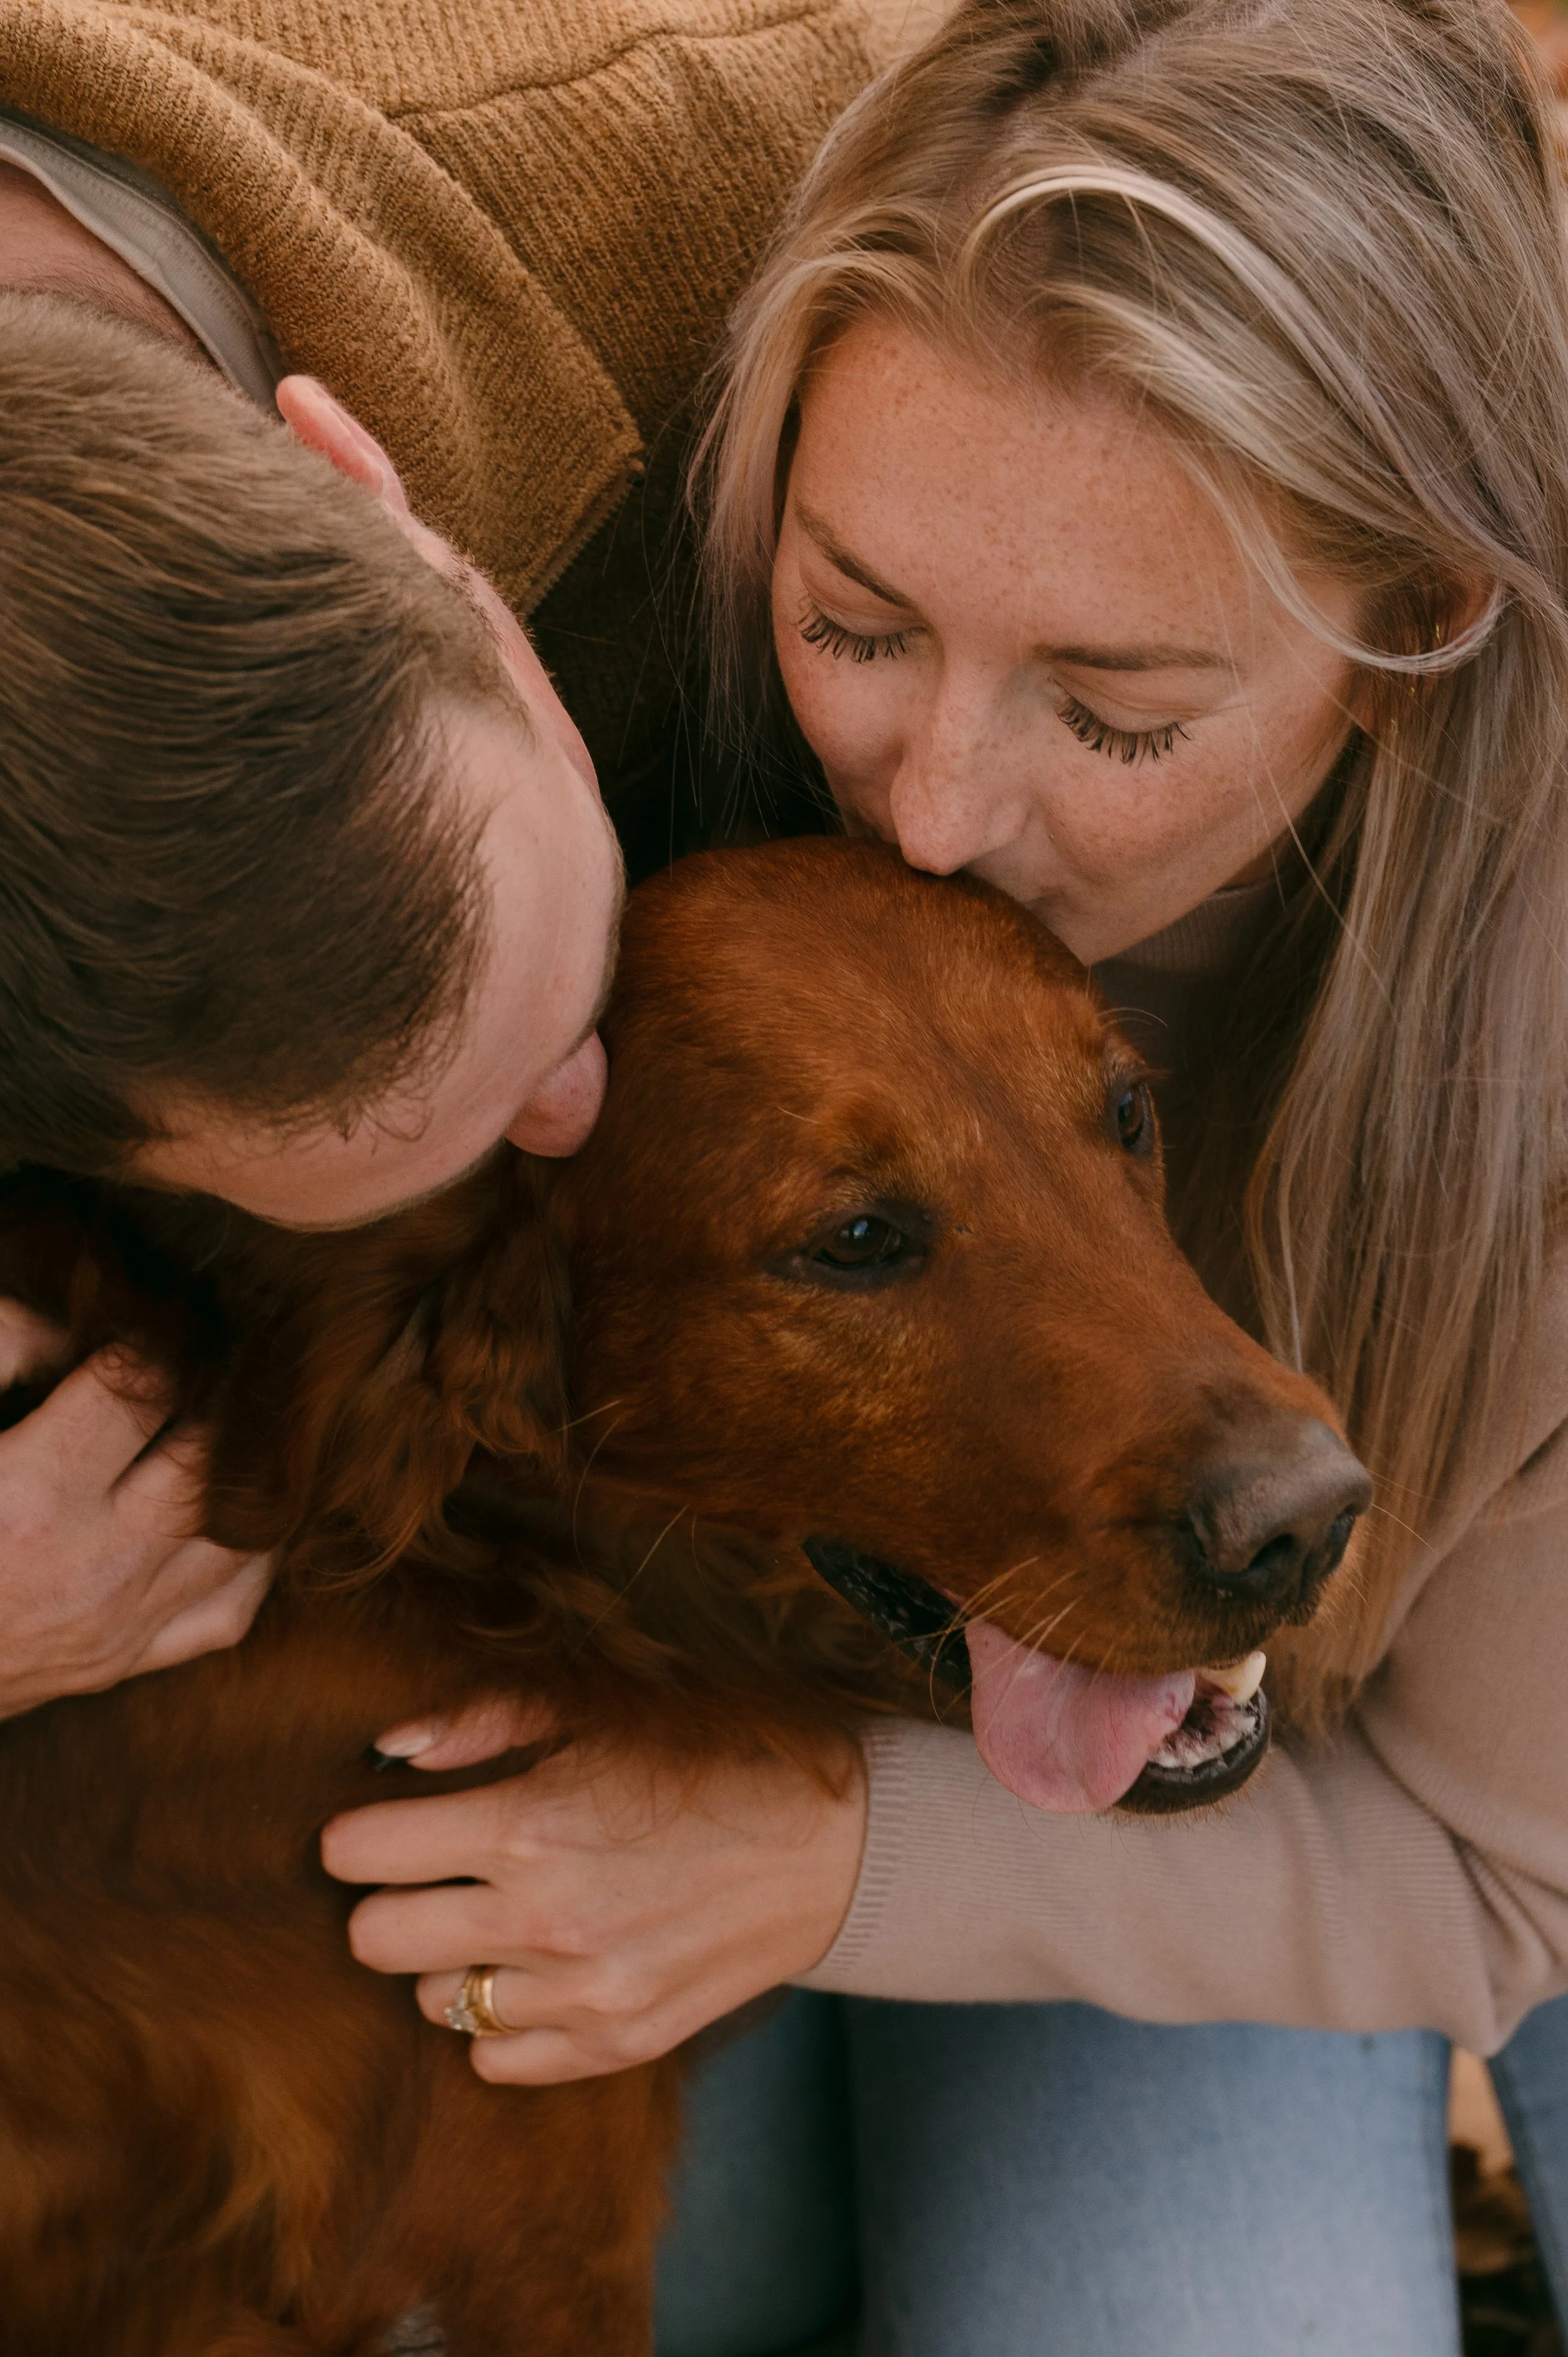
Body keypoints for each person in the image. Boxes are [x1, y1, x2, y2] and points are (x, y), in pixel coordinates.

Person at [318, 3, 1568, 2351]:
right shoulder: (588, 713)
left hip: (1402, 1831)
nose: (927, 815)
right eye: (854, 622)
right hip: (916, 1712)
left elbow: (1490, 1865)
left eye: (1114, 709)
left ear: (1406, 635)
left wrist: (824, 1863)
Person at [0, 0, 921, 1716]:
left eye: (567, 997)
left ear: (355, 473)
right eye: (467, 1137)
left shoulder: (789, 152)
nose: (582, 1107)